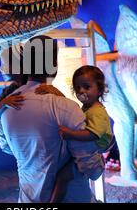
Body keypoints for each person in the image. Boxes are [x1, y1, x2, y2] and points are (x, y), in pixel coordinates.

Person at [0, 36, 105, 202]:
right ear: (54, 64)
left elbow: (7, 148)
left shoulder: (5, 108)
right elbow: (93, 170)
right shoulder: (65, 107)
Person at [35, 65, 113, 202]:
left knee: (62, 178)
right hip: (89, 156)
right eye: (77, 88)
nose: (81, 91)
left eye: (86, 87)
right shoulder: (87, 108)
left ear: (99, 90)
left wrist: (70, 133)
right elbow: (71, 110)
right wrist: (55, 92)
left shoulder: (97, 111)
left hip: (91, 160)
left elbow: (92, 134)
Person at [0, 44, 27, 121]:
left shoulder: (31, 83)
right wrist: (4, 102)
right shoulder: (9, 89)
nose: (2, 69)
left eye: (5, 64)